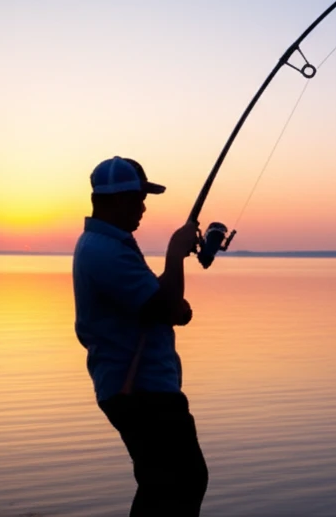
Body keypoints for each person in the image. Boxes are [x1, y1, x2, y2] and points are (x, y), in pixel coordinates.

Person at [73, 156, 208, 516]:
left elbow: (154, 302)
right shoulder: (105, 251)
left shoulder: (108, 245)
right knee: (182, 481)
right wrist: (175, 254)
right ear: (117, 199)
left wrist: (173, 306)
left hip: (138, 389)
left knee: (164, 483)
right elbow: (163, 307)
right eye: (138, 198)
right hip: (140, 392)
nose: (143, 207)